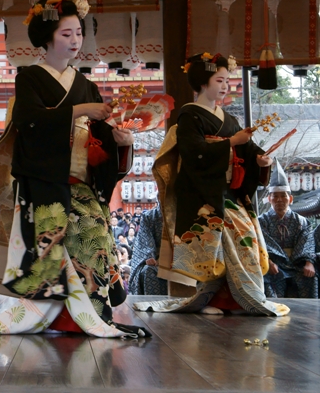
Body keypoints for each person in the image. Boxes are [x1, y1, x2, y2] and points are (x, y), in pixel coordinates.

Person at [0, 0, 146, 338]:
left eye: (79, 33)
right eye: (67, 33)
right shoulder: (30, 78)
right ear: (47, 38)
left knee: (94, 238)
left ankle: (88, 315)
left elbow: (100, 136)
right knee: (50, 251)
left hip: (80, 183)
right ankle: (54, 317)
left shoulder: (85, 83)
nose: (75, 40)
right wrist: (79, 110)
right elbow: (28, 121)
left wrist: (120, 142)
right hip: (44, 182)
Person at [134, 53, 288, 317]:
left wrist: (261, 160)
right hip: (205, 193)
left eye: (227, 80)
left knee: (244, 241)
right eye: (220, 80)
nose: (226, 85)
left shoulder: (229, 120)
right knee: (219, 249)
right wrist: (230, 143)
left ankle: (232, 299)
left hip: (230, 191)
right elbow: (194, 154)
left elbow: (248, 149)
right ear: (203, 82)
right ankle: (220, 299)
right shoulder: (189, 116)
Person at [259, 161, 317, 299]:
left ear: (290, 199)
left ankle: (308, 317)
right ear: (269, 199)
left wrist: (309, 263)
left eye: (283, 195)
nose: (279, 199)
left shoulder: (301, 221)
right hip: (273, 264)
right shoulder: (261, 221)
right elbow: (259, 245)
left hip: (296, 264)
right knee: (267, 276)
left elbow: (307, 243)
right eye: (275, 196)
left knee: (311, 277)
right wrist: (268, 262)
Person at [128, 206, 168, 296]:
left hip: (180, 256)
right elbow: (145, 238)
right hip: (157, 258)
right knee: (148, 271)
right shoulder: (149, 216)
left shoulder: (181, 214)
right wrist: (150, 256)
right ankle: (152, 306)